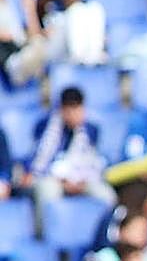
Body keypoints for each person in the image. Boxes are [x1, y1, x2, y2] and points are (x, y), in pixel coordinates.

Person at [26, 86, 115, 228]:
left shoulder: (91, 130)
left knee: (106, 195)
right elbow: (39, 162)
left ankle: (103, 237)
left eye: (77, 108)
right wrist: (62, 180)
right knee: (47, 192)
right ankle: (44, 238)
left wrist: (79, 179)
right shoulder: (45, 126)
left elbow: (95, 162)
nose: (73, 114)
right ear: (62, 109)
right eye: (69, 109)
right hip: (53, 178)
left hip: (83, 178)